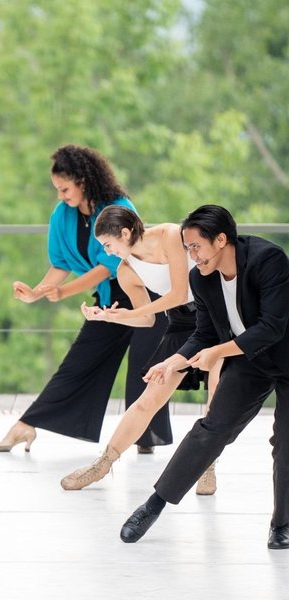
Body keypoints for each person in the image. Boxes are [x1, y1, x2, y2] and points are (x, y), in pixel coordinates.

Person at [119, 205, 289, 549]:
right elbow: (204, 333)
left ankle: (281, 525)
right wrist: (175, 361)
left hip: (284, 353)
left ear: (221, 240)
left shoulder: (267, 259)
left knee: (285, 442)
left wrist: (217, 353)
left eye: (196, 247)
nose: (191, 255)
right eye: (186, 248)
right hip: (249, 359)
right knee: (212, 429)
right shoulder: (202, 277)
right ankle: (153, 505)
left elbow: (272, 327)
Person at [0, 145, 167, 453]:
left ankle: (145, 438)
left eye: (64, 189)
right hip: (110, 297)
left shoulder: (118, 207)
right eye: (57, 190)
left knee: (145, 367)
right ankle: (25, 426)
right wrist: (37, 292)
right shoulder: (62, 215)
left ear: (83, 181)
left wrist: (64, 292)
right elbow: (60, 263)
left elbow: (108, 266)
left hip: (145, 292)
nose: (61, 196)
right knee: (79, 362)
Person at [60, 205, 221, 491]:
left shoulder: (170, 234)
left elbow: (180, 291)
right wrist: (111, 316)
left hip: (217, 314)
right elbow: (148, 319)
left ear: (125, 233)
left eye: (108, 245)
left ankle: (206, 467)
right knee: (148, 400)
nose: (107, 253)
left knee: (215, 399)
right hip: (181, 324)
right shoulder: (126, 271)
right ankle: (103, 464)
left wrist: (133, 313)